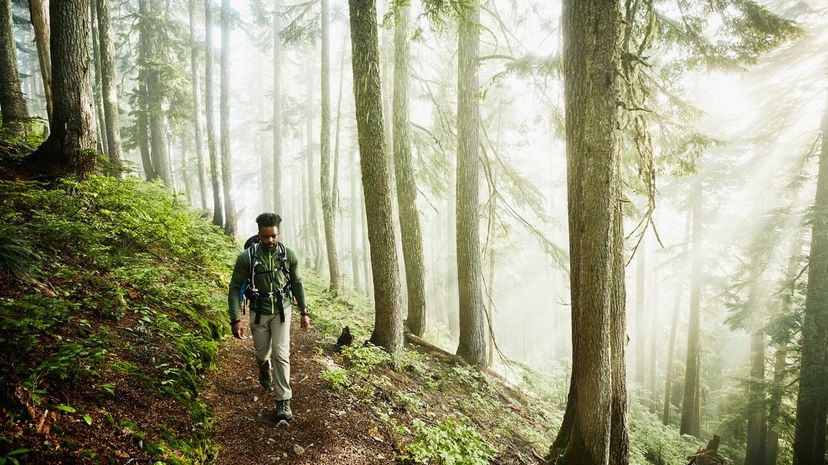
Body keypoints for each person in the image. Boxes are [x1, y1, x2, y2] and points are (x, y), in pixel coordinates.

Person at [228, 213, 310, 422]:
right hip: (258, 312)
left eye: (273, 236)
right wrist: (235, 319)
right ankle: (264, 368)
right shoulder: (246, 257)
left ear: (278, 233)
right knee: (261, 353)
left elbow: (298, 283)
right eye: (265, 237)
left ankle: (283, 400)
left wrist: (304, 312)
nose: (270, 241)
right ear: (259, 234)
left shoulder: (288, 255)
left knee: (281, 354)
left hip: (282, 311)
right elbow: (235, 287)